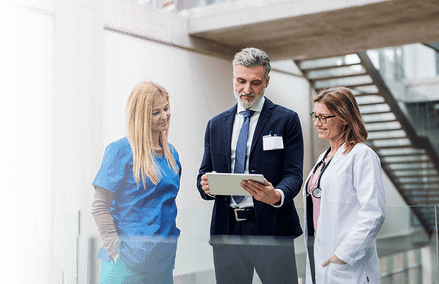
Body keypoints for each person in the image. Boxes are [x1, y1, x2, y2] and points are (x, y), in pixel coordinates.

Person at [197, 47, 304, 284]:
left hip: (272, 229)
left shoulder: (286, 119)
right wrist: (206, 185)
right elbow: (204, 173)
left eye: (255, 83)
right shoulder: (216, 125)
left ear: (267, 81)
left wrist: (276, 195)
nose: (247, 90)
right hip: (227, 230)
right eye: (241, 81)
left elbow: (294, 174)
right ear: (233, 77)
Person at [91, 81, 181, 283]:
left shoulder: (172, 155)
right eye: (155, 112)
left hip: (162, 261)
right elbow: (99, 207)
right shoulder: (120, 150)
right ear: (141, 115)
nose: (164, 116)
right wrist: (115, 250)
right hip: (125, 262)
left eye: (166, 109)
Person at [304, 87, 385, 284]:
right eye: (315, 116)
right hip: (318, 255)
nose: (316, 123)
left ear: (344, 118)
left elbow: (373, 213)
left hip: (345, 263)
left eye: (323, 117)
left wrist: (344, 255)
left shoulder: (362, 155)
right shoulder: (324, 158)